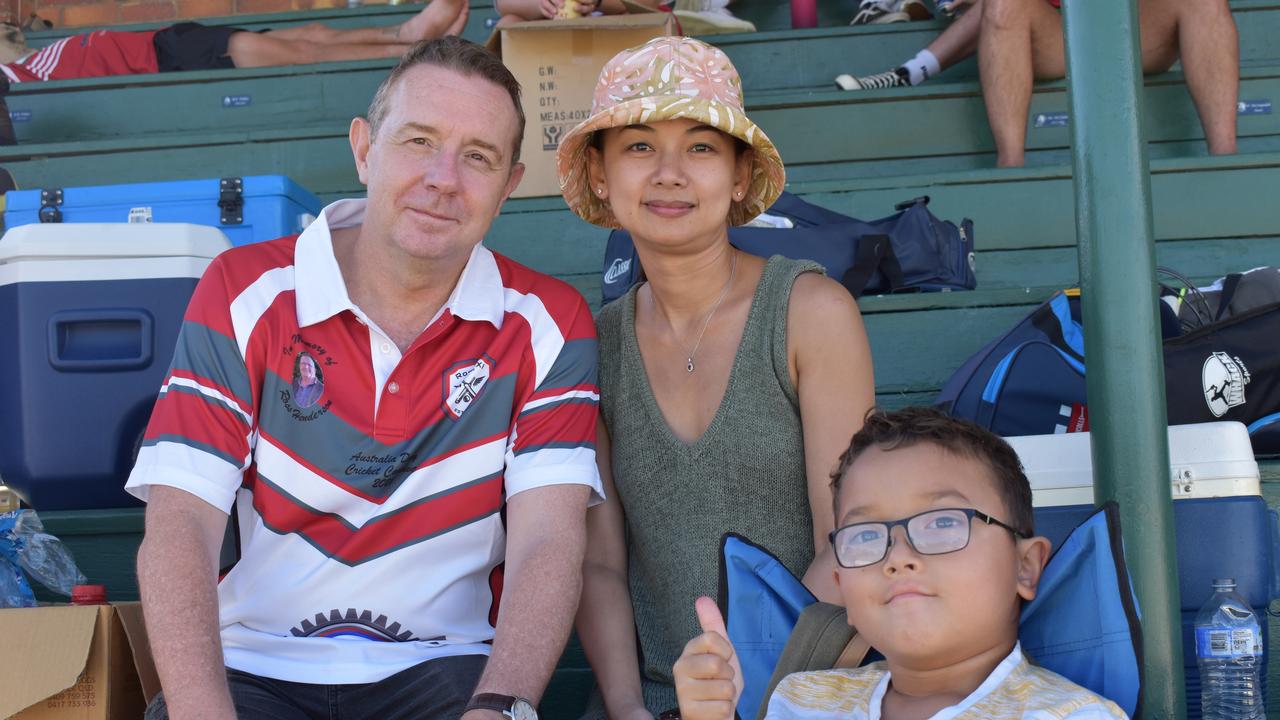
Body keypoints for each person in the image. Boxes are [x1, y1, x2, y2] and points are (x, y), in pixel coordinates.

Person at [125, 36, 602, 720]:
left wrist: (500, 705)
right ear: (363, 148)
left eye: (478, 157)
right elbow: (180, 524)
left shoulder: (549, 323)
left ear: (509, 185)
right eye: (418, 141)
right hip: (253, 667)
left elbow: (548, 542)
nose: (444, 177)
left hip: (447, 670)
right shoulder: (244, 291)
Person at [556, 36, 875, 717]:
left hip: (810, 686)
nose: (670, 173)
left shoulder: (809, 313)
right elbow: (602, 565)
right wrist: (628, 708)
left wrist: (760, 697)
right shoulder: (596, 345)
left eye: (701, 147)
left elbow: (849, 546)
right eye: (639, 147)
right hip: (652, 698)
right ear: (602, 174)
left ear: (738, 176)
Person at [672, 407, 1130, 720]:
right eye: (867, 536)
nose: (899, 558)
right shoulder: (802, 702)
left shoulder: (1069, 715)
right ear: (842, 588)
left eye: (943, 523)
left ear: (1025, 566)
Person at [836, 0, 1239, 167]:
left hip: (1140, 28)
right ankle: (1011, 165)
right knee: (1003, 4)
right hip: (1063, 36)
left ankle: (1225, 157)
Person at [0, 0, 468, 83]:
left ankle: (406, 32)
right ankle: (416, 51)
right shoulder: (16, 83)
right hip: (170, 63)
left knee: (312, 33)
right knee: (305, 53)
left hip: (165, 43)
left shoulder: (17, 66)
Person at [494, 0, 755, 35]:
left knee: (653, 20)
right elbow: (506, 5)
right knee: (508, 25)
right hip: (556, 35)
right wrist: (542, 6)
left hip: (615, 31)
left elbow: (649, 4)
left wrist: (599, 2)